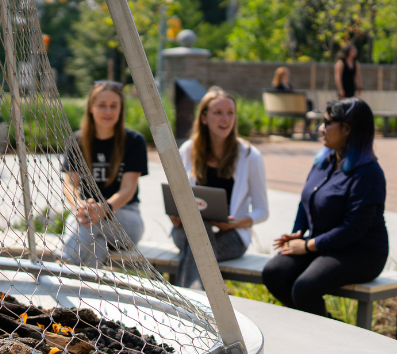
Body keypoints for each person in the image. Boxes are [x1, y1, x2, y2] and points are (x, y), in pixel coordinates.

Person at [262, 98, 387, 319]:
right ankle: (317, 326)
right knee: (274, 273)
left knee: (305, 287)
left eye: (327, 122)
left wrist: (309, 246)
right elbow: (306, 200)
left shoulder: (369, 173)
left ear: (347, 128)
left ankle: (331, 339)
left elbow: (354, 228)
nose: (321, 128)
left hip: (362, 252)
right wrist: (298, 233)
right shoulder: (325, 160)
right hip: (324, 244)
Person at [170, 88, 269, 290]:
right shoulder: (187, 151)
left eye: (230, 112)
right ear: (204, 118)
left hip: (232, 235)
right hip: (187, 231)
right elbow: (176, 198)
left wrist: (237, 223)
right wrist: (176, 215)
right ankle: (200, 302)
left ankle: (188, 301)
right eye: (218, 113)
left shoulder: (250, 156)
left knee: (198, 245)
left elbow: (262, 210)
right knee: (200, 233)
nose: (226, 118)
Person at [59, 81, 149, 267]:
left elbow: (128, 189)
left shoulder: (134, 141)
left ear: (120, 110)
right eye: (102, 105)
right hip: (85, 215)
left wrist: (104, 209)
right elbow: (69, 184)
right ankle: (86, 289)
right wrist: (79, 204)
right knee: (96, 244)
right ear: (91, 108)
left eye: (113, 106)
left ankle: (62, 265)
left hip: (124, 218)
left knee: (87, 221)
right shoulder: (77, 140)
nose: (108, 111)